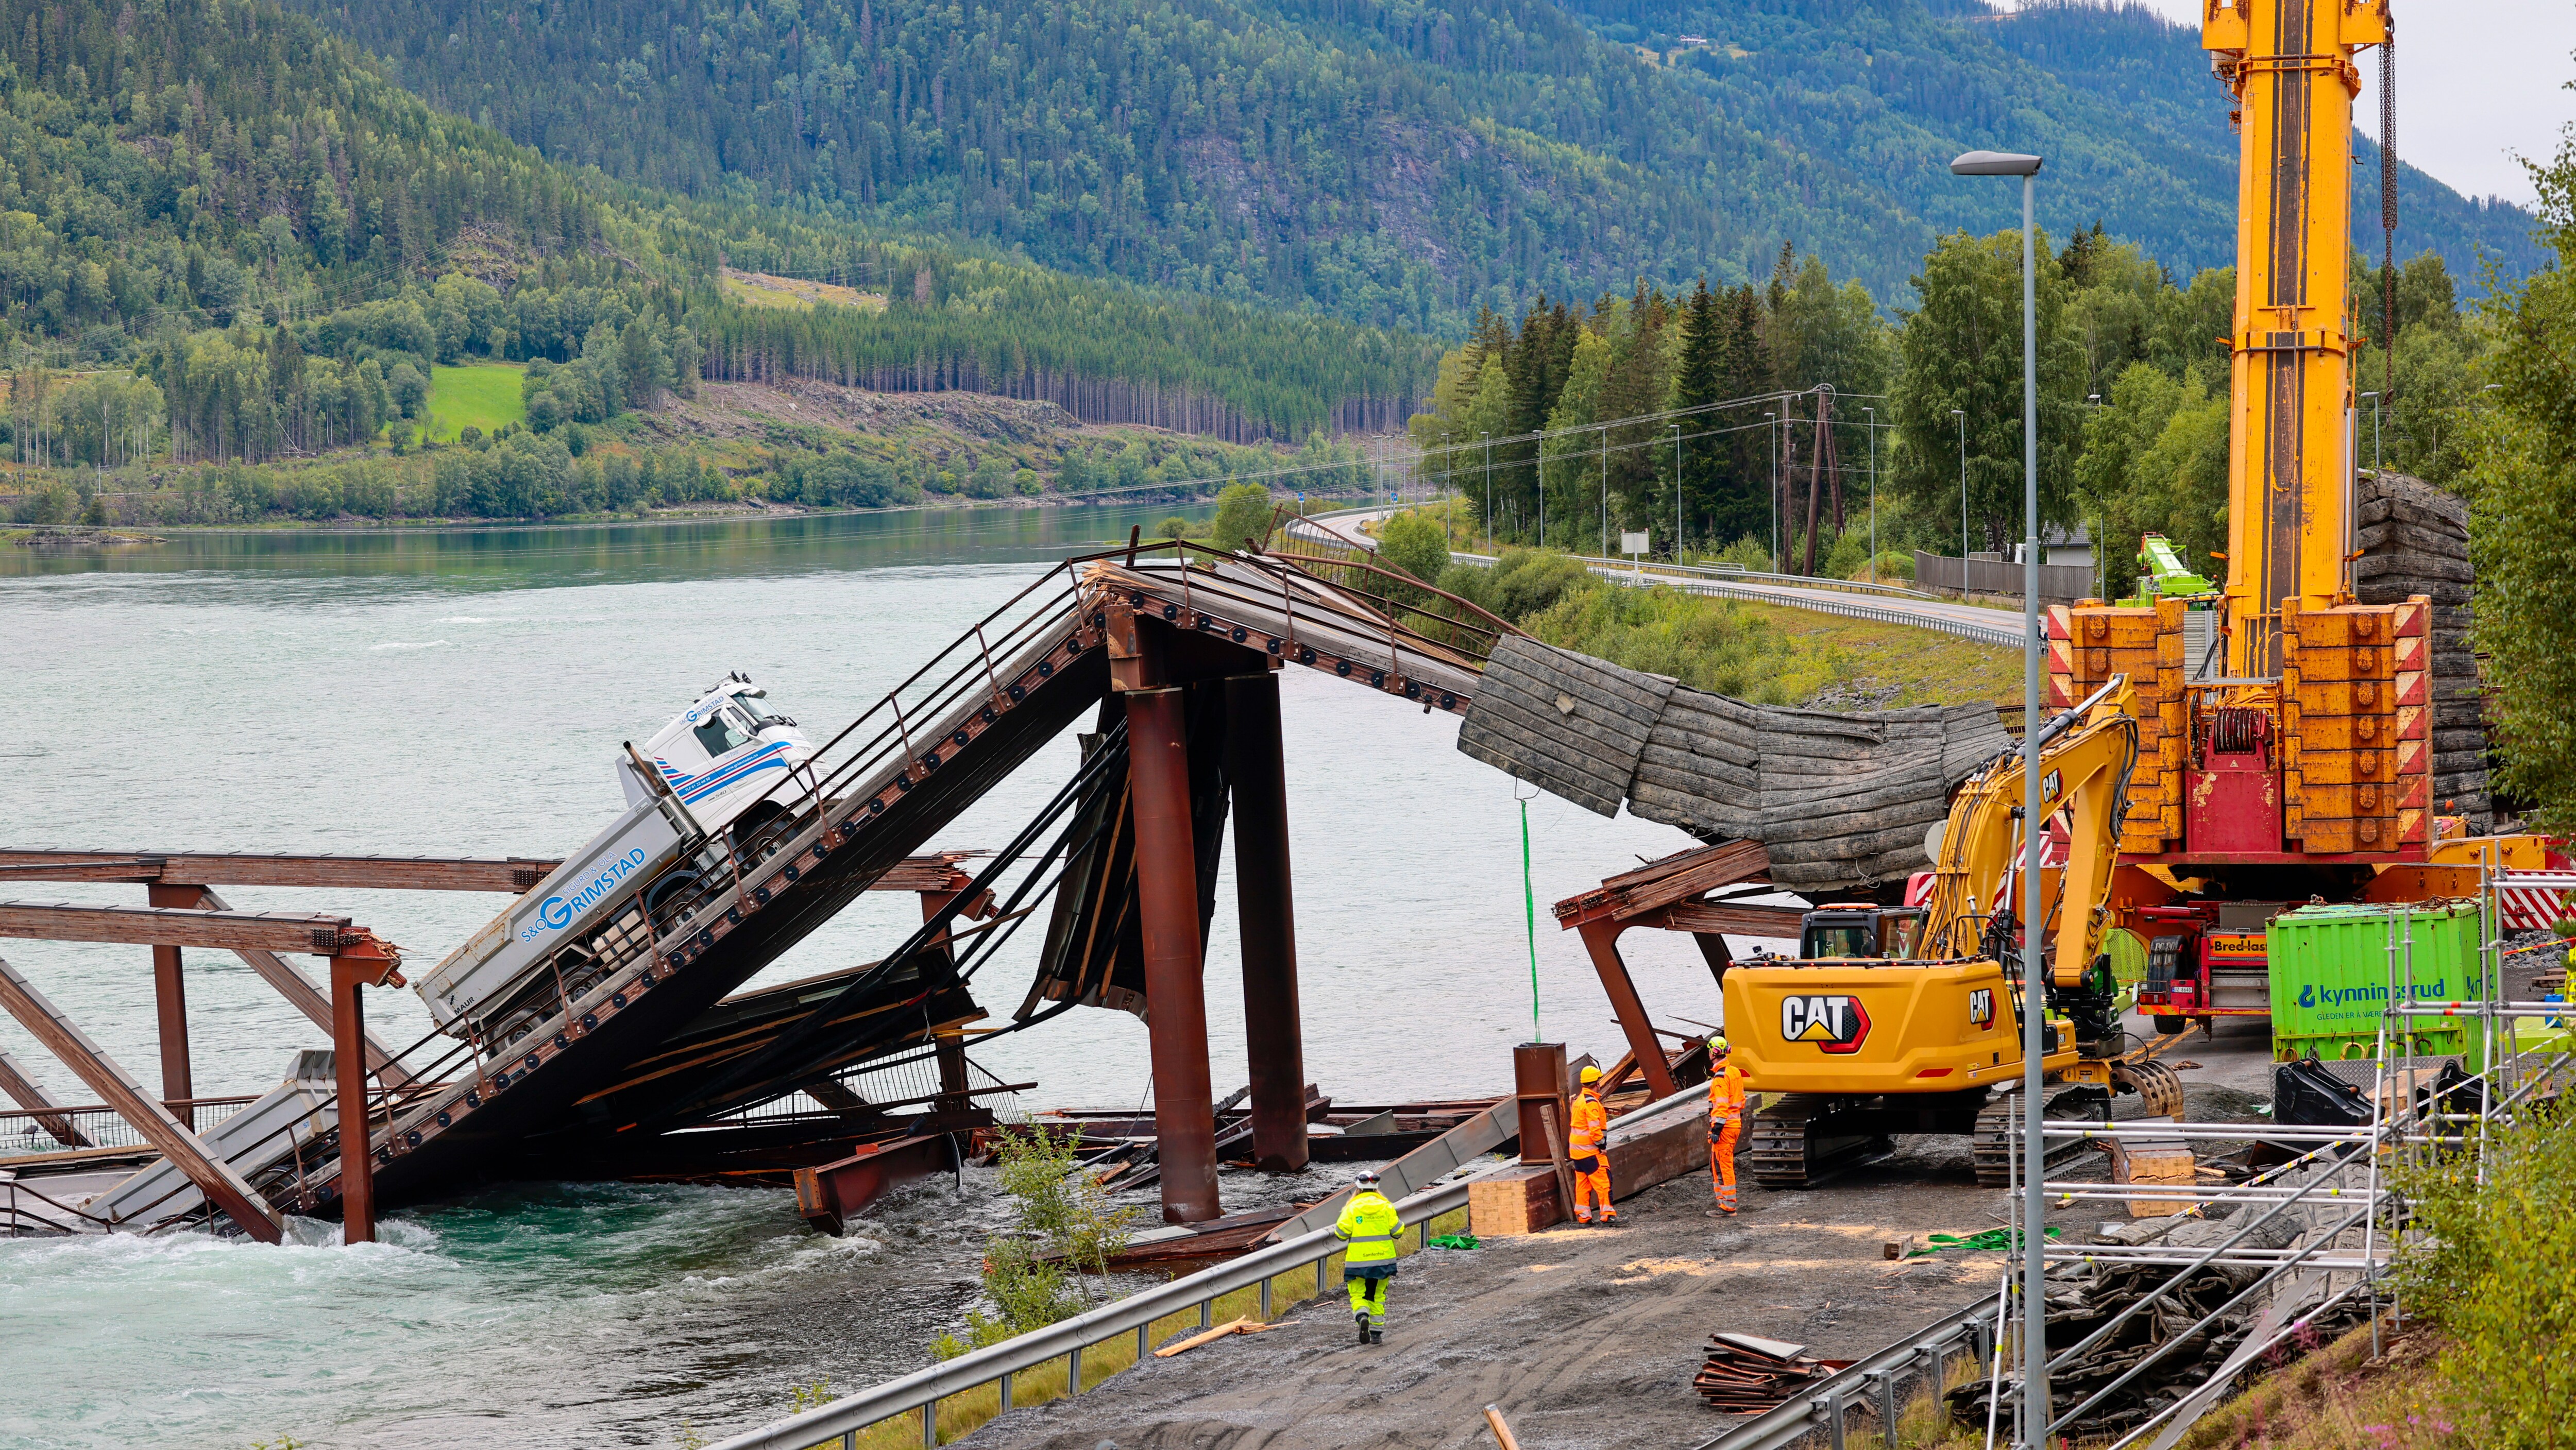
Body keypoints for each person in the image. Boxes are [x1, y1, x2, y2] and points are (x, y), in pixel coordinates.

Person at [1332, 1169, 1400, 1344]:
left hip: (1358, 1263)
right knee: (1378, 1295)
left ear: (1358, 1188)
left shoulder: (1352, 1208)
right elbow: (1398, 1231)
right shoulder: (1386, 1207)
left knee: (1357, 1295)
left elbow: (1340, 1233)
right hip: (1383, 1261)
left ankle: (1363, 1315)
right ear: (1376, 1188)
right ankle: (1376, 1333)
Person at [1568, 1063, 1616, 1224]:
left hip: (1577, 1152)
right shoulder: (1591, 1104)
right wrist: (1602, 1146)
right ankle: (1608, 1215)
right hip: (1589, 1151)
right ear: (1597, 1083)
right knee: (1604, 1182)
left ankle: (1584, 1217)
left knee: (1583, 1183)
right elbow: (1595, 1130)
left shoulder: (1579, 1101)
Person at [1707, 1036, 1749, 1215]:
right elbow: (1740, 1100)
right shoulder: (1734, 1072)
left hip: (1724, 1128)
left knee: (1722, 1166)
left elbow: (1722, 1106)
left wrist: (1716, 1129)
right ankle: (1724, 1202)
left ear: (1714, 1053)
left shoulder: (1720, 1078)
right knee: (1717, 1165)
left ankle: (1728, 1206)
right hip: (1734, 1125)